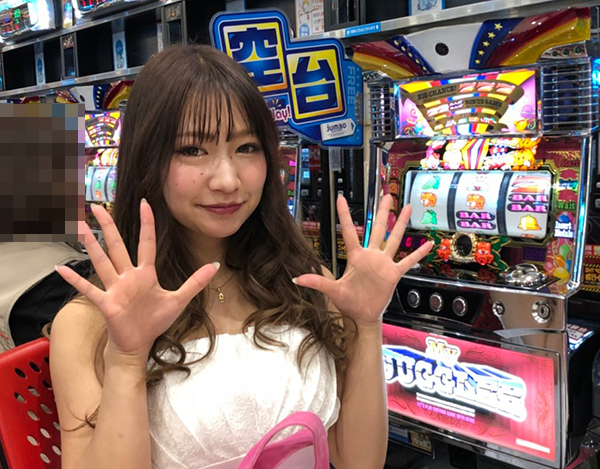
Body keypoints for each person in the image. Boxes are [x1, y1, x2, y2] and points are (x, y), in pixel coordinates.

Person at [50, 45, 432, 469]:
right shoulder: (87, 324)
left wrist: (366, 326)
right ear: (146, 159)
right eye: (192, 150)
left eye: (247, 147)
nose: (228, 180)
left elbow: (358, 461)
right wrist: (126, 360)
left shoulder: (304, 282)